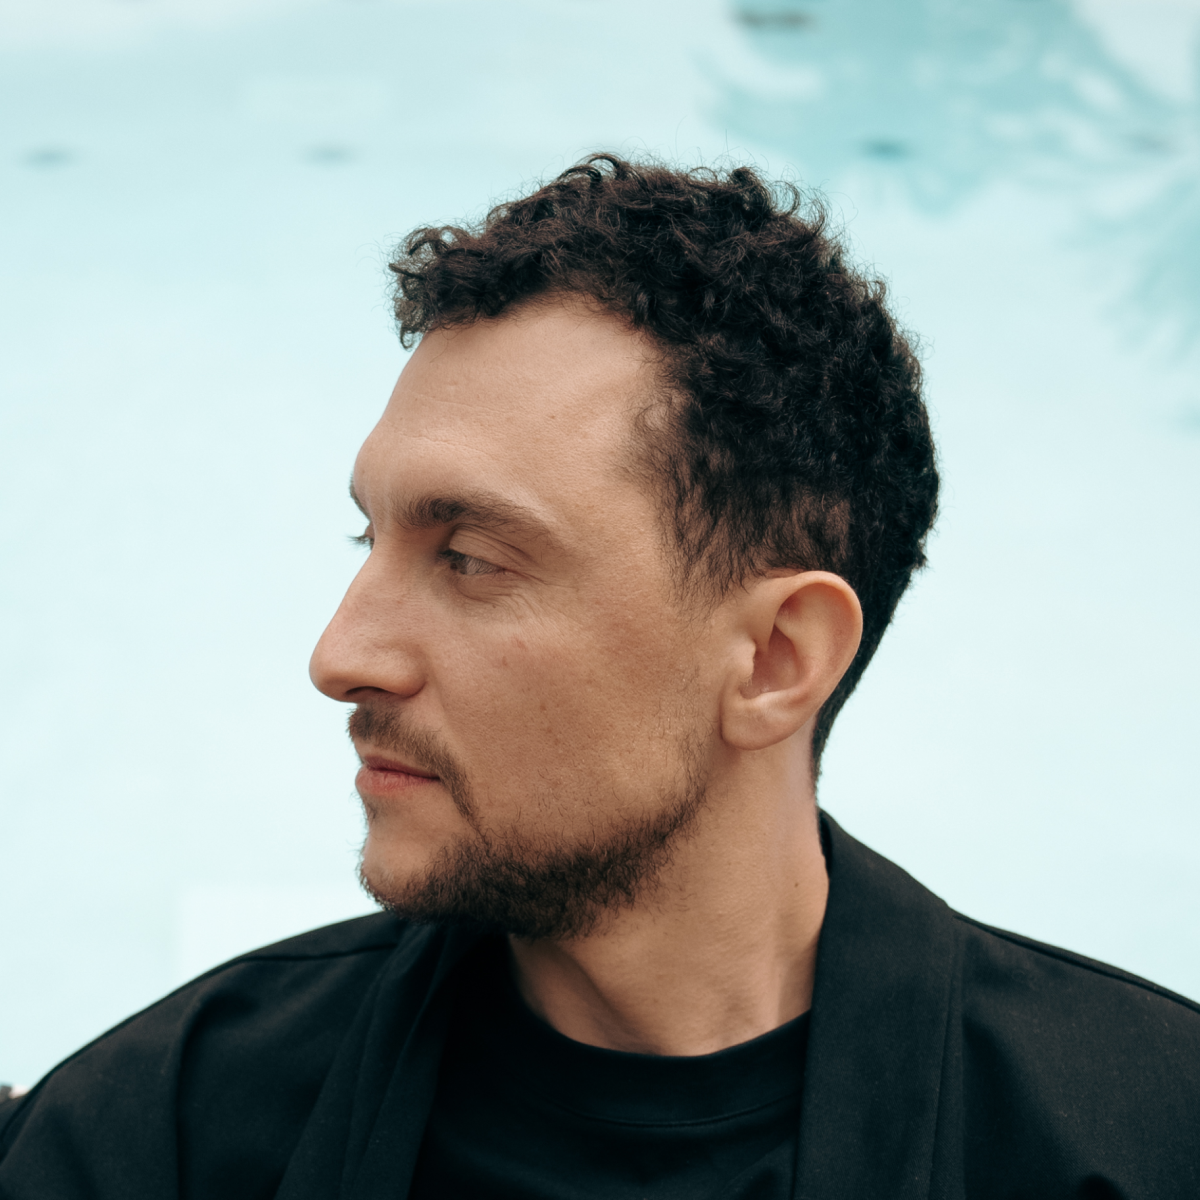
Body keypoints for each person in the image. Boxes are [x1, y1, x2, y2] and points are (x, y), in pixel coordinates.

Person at [1, 154, 1196, 1200]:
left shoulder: (1138, 1146)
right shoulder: (166, 1131)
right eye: (371, 539)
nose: (342, 657)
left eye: (470, 559)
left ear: (775, 660)